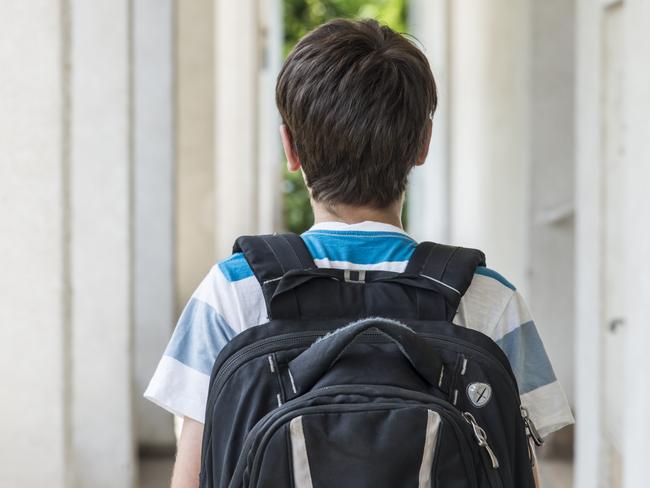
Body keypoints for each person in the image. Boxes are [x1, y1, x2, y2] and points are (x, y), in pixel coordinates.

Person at [144, 17, 574, 488]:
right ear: (423, 145)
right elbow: (519, 472)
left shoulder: (230, 291)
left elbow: (192, 475)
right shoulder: (489, 300)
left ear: (290, 147)